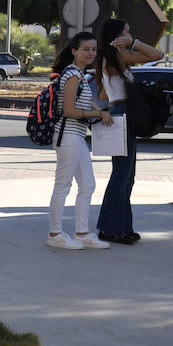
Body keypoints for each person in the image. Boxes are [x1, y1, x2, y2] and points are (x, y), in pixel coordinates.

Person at [94, 18, 164, 244]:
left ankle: (121, 227)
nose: (130, 35)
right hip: (122, 114)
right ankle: (111, 229)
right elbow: (157, 55)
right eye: (127, 32)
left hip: (119, 112)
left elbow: (103, 94)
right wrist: (134, 43)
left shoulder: (109, 59)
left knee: (125, 175)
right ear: (117, 35)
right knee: (122, 176)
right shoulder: (119, 56)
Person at [46, 32, 113, 251]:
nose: (91, 53)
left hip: (77, 136)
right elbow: (69, 111)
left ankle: (82, 233)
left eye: (94, 49)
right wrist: (98, 114)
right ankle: (55, 234)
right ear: (74, 51)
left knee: (87, 184)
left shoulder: (80, 75)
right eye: (86, 49)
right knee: (63, 184)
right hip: (68, 135)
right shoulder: (72, 75)